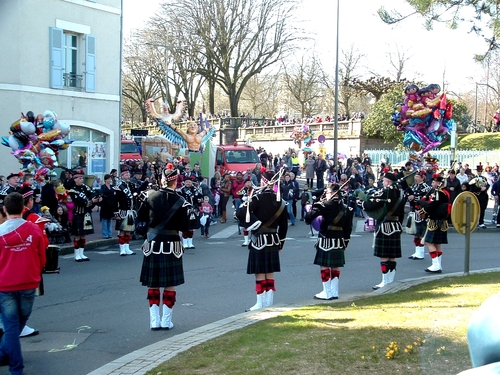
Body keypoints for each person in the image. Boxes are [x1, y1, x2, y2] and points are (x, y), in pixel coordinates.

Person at [138, 163, 191, 330]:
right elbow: (187, 227)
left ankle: (154, 321)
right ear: (175, 182)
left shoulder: (149, 196)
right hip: (172, 245)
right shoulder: (181, 201)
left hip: (153, 244)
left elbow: (140, 222)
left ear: (162, 181)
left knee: (153, 283)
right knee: (169, 284)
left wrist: (146, 234)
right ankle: (166, 321)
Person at [0, 192, 46, 375]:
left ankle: (6, 354)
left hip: (5, 285)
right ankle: (16, 368)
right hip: (28, 282)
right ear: (23, 208)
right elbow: (42, 257)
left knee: (13, 326)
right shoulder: (34, 229)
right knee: (17, 324)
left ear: (4, 209)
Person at [236, 170, 288, 311]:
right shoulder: (281, 202)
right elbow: (284, 226)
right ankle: (269, 303)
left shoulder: (257, 198)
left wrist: (248, 207)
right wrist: (281, 243)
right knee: (269, 271)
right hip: (274, 239)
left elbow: (240, 214)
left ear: (264, 182)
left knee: (259, 272)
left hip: (259, 239)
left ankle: (260, 304)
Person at [305, 183, 353, 300]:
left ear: (331, 193)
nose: (325, 194)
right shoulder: (346, 208)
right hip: (339, 239)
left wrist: (311, 208)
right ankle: (334, 291)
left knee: (324, 265)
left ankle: (327, 292)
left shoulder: (324, 205)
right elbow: (348, 228)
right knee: (336, 266)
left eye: (327, 193)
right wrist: (345, 242)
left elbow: (308, 219)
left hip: (326, 238)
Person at [357, 172, 405, 289]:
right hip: (395, 225)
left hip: (384, 226)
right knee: (392, 256)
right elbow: (402, 213)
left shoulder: (385, 192)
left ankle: (385, 281)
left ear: (388, 182)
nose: (382, 182)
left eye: (383, 180)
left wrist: (361, 203)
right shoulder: (399, 194)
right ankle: (391, 281)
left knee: (384, 255)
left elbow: (372, 205)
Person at [418, 174, 450, 273]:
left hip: (435, 220)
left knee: (428, 242)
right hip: (441, 220)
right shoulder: (445, 192)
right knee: (437, 243)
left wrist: (423, 210)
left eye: (433, 182)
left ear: (438, 183)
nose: (432, 184)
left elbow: (433, 205)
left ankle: (436, 264)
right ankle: (438, 264)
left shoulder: (439, 193)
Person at [67, 169, 102, 262]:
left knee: (84, 235)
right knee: (78, 235)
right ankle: (76, 254)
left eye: (82, 178)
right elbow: (79, 202)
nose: (81, 179)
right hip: (78, 214)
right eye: (79, 178)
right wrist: (91, 201)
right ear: (75, 179)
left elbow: (92, 194)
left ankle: (82, 253)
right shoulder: (73, 190)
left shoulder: (85, 187)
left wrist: (97, 198)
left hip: (86, 214)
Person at [406, 170, 432, 260]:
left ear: (422, 178)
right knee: (416, 232)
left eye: (417, 177)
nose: (415, 178)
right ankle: (417, 251)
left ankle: (421, 253)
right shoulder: (414, 185)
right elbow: (410, 194)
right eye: (415, 176)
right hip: (414, 210)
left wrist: (415, 197)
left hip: (421, 211)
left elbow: (425, 198)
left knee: (421, 232)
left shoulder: (425, 187)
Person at [114, 166, 137, 256]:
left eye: (128, 174)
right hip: (122, 211)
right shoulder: (119, 187)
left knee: (128, 231)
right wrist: (116, 213)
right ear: (122, 176)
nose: (128, 175)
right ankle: (122, 248)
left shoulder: (131, 185)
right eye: (126, 174)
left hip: (130, 211)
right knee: (122, 231)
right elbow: (115, 201)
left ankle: (127, 248)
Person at [178, 178, 203, 249]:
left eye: (189, 182)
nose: (188, 183)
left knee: (192, 227)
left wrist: (199, 201)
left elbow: (201, 197)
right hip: (185, 210)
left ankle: (190, 243)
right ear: (184, 183)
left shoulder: (196, 189)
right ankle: (184, 243)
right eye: (186, 182)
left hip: (194, 210)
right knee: (185, 227)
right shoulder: (181, 190)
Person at [100, 174, 117, 239]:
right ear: (105, 180)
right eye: (108, 179)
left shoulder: (112, 186)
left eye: (110, 179)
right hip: (105, 205)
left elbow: (114, 194)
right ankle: (105, 234)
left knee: (110, 219)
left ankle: (110, 234)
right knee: (104, 220)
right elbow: (103, 194)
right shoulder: (103, 187)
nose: (109, 180)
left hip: (111, 205)